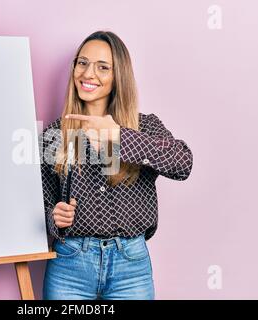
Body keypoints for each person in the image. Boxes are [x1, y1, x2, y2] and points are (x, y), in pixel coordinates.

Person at [40, 30, 193, 300]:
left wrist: (120, 137)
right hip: (69, 267)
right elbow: (40, 203)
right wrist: (54, 217)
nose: (88, 74)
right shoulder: (55, 134)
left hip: (130, 267)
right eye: (82, 62)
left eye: (103, 67)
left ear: (117, 76)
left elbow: (183, 163)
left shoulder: (144, 125)